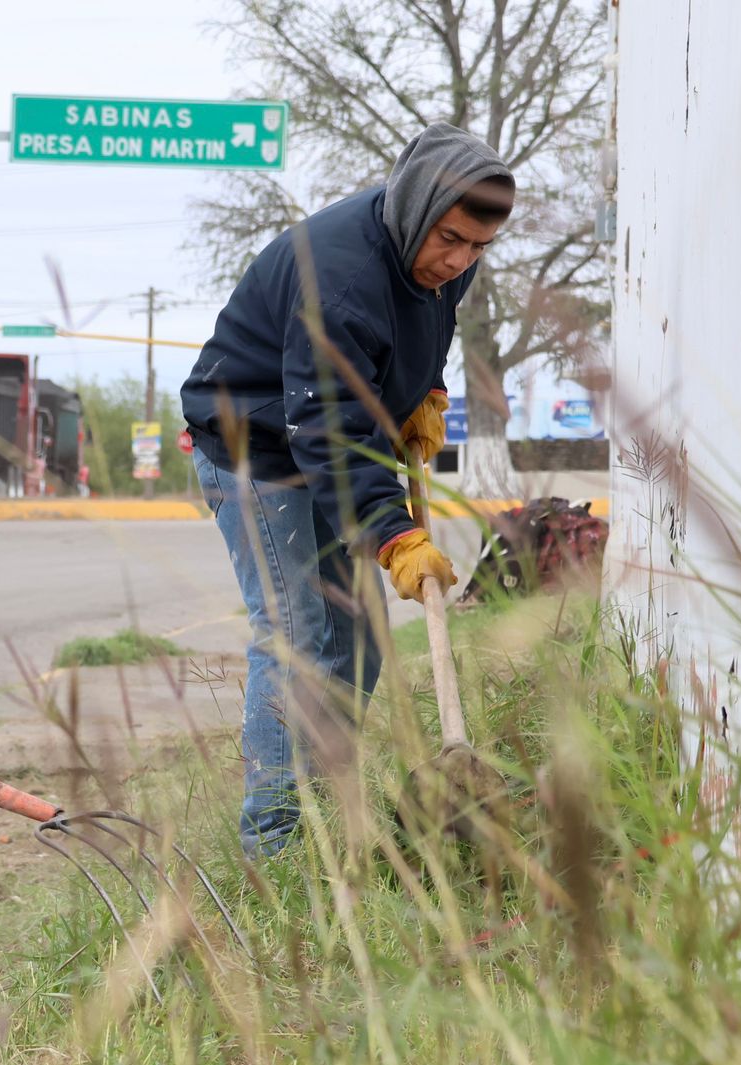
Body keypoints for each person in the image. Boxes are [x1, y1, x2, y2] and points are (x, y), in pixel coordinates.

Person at [180, 123, 515, 856]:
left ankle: (325, 803)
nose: (459, 262)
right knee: (299, 639)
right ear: (416, 210)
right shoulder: (339, 279)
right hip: (257, 450)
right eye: (450, 241)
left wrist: (422, 390)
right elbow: (329, 432)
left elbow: (429, 324)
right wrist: (395, 537)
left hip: (321, 436)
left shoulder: (443, 254)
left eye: (478, 249)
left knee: (357, 643)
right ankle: (273, 846)